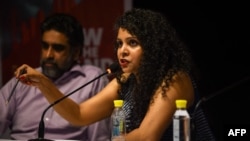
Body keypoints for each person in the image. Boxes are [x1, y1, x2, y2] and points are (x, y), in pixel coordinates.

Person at [13, 9, 216, 141]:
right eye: (119, 43)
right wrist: (43, 83)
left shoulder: (174, 79)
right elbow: (79, 114)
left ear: (153, 47)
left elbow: (147, 136)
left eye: (132, 43)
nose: (122, 51)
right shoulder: (126, 81)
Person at [0, 13, 111, 140]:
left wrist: (43, 83)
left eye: (58, 48)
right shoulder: (23, 79)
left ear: (76, 52)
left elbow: (100, 138)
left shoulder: (92, 80)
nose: (48, 55)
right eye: (45, 46)